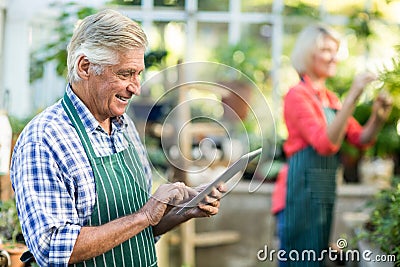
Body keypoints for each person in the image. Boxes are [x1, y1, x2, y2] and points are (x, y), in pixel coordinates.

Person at [10, 9, 225, 267]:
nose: (136, 87)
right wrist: (145, 215)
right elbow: (53, 247)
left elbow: (137, 232)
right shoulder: (44, 139)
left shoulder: (124, 127)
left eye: (138, 73)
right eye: (125, 74)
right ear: (85, 67)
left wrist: (183, 212)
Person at [271, 24, 392, 266]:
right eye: (327, 50)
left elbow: (360, 139)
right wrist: (354, 96)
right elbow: (325, 144)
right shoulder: (298, 95)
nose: (334, 57)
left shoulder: (330, 99)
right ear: (308, 53)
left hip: (322, 193)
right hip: (298, 194)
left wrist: (378, 118)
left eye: (336, 50)